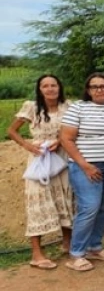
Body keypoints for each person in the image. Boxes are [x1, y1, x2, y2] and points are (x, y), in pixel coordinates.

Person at [60, 73, 104, 272]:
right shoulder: (78, 108)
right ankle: (76, 253)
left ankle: (95, 246)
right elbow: (66, 139)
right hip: (86, 166)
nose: (100, 90)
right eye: (95, 86)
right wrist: (85, 165)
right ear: (88, 90)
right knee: (89, 207)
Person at [7, 74, 72, 269]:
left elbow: (72, 130)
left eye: (54, 85)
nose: (50, 89)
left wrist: (60, 141)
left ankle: (67, 243)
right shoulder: (32, 107)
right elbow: (12, 131)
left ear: (59, 87)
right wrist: (28, 145)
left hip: (62, 158)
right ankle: (37, 253)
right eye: (46, 86)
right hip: (39, 159)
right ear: (40, 89)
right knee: (38, 202)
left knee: (66, 199)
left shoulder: (67, 106)